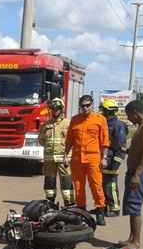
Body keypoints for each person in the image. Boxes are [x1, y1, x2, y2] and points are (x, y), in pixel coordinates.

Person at [65, 94, 110, 226]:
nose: (85, 108)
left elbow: (105, 141)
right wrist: (65, 156)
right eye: (82, 106)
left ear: (92, 105)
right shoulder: (74, 120)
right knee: (78, 187)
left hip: (93, 158)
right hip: (77, 158)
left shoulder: (100, 119)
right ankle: (81, 212)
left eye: (88, 105)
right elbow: (69, 140)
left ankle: (100, 211)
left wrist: (104, 158)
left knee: (96, 186)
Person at [121, 100, 143, 249]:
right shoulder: (140, 127)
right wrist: (128, 151)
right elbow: (140, 149)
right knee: (130, 205)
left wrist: (137, 175)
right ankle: (131, 238)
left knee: (135, 207)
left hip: (138, 174)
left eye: (129, 115)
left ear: (135, 113)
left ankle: (136, 242)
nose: (128, 119)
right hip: (133, 171)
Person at [38, 97, 74, 207]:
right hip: (49, 159)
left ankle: (69, 205)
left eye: (57, 108)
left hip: (64, 159)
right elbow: (41, 140)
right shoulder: (46, 125)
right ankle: (50, 203)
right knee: (49, 183)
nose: (55, 111)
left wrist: (68, 156)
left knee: (66, 183)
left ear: (61, 109)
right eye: (53, 109)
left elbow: (73, 141)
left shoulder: (68, 124)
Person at [100, 99, 128, 217]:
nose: (102, 112)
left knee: (110, 184)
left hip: (113, 159)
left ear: (108, 111)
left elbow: (121, 147)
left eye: (104, 110)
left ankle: (114, 208)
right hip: (106, 158)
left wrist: (116, 162)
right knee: (103, 183)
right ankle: (106, 206)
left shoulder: (118, 125)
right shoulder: (105, 123)